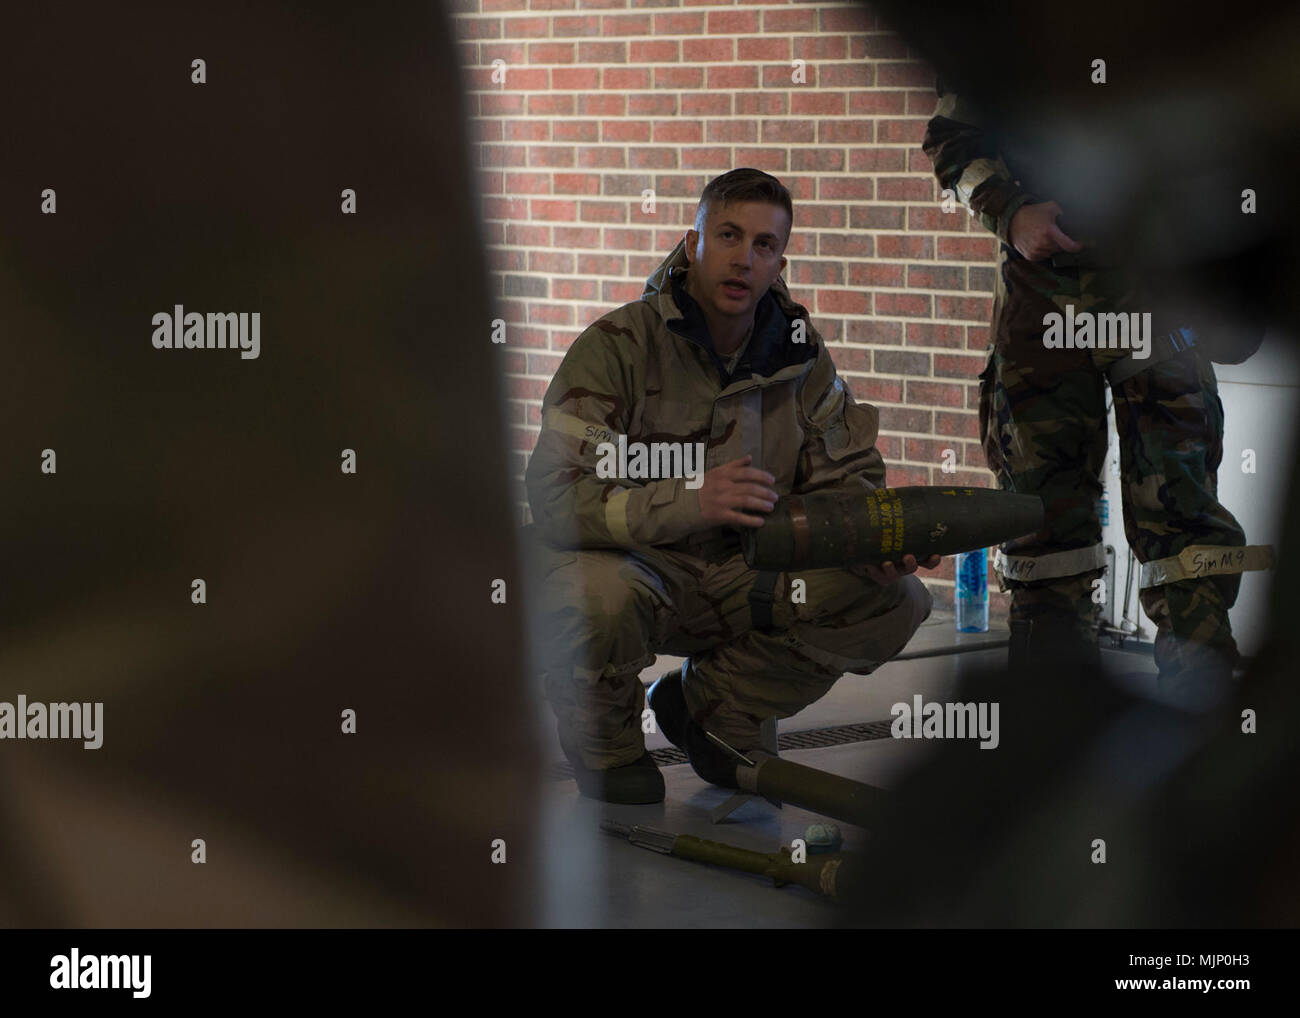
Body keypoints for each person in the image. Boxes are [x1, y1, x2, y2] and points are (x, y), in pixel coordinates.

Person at [522, 168, 936, 803]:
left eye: (765, 245)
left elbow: (849, 480)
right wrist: (690, 500)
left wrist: (871, 542)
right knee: (594, 595)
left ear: (779, 262)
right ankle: (607, 744)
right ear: (694, 245)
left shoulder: (799, 359)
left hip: (747, 578)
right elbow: (555, 497)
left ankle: (708, 708)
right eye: (729, 235)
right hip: (638, 570)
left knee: (898, 599)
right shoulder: (619, 348)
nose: (745, 258)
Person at [922, 86, 1259, 698]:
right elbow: (953, 139)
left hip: (1159, 294)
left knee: (1183, 513)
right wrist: (1012, 212)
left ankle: (1200, 713)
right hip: (1042, 309)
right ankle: (1050, 720)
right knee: (1045, 518)